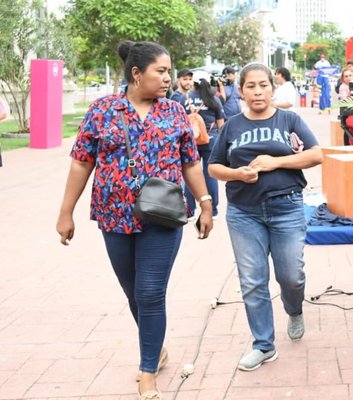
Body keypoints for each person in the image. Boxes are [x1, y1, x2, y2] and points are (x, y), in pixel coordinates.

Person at [55, 40, 213, 400]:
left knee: (150, 292)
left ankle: (147, 373)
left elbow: (190, 161)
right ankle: (155, 347)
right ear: (136, 73)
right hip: (114, 217)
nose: (168, 78)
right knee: (134, 295)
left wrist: (205, 203)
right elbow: (82, 161)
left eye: (169, 71)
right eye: (161, 71)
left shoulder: (174, 111)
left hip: (164, 216)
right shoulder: (102, 111)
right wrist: (66, 212)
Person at [208, 62, 323, 371]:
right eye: (250, 86)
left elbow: (315, 154)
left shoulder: (289, 119)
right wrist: (237, 173)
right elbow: (214, 166)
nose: (257, 91)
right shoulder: (231, 125)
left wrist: (276, 162)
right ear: (241, 90)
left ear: (273, 87)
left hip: (286, 207)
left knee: (290, 275)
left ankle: (294, 308)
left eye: (263, 85)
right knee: (252, 281)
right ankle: (263, 345)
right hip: (244, 213)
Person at [184, 70, 225, 219]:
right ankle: (213, 210)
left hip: (189, 141)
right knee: (210, 174)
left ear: (193, 82)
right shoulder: (214, 100)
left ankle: (190, 211)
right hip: (210, 139)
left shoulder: (184, 98)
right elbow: (221, 124)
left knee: (189, 174)